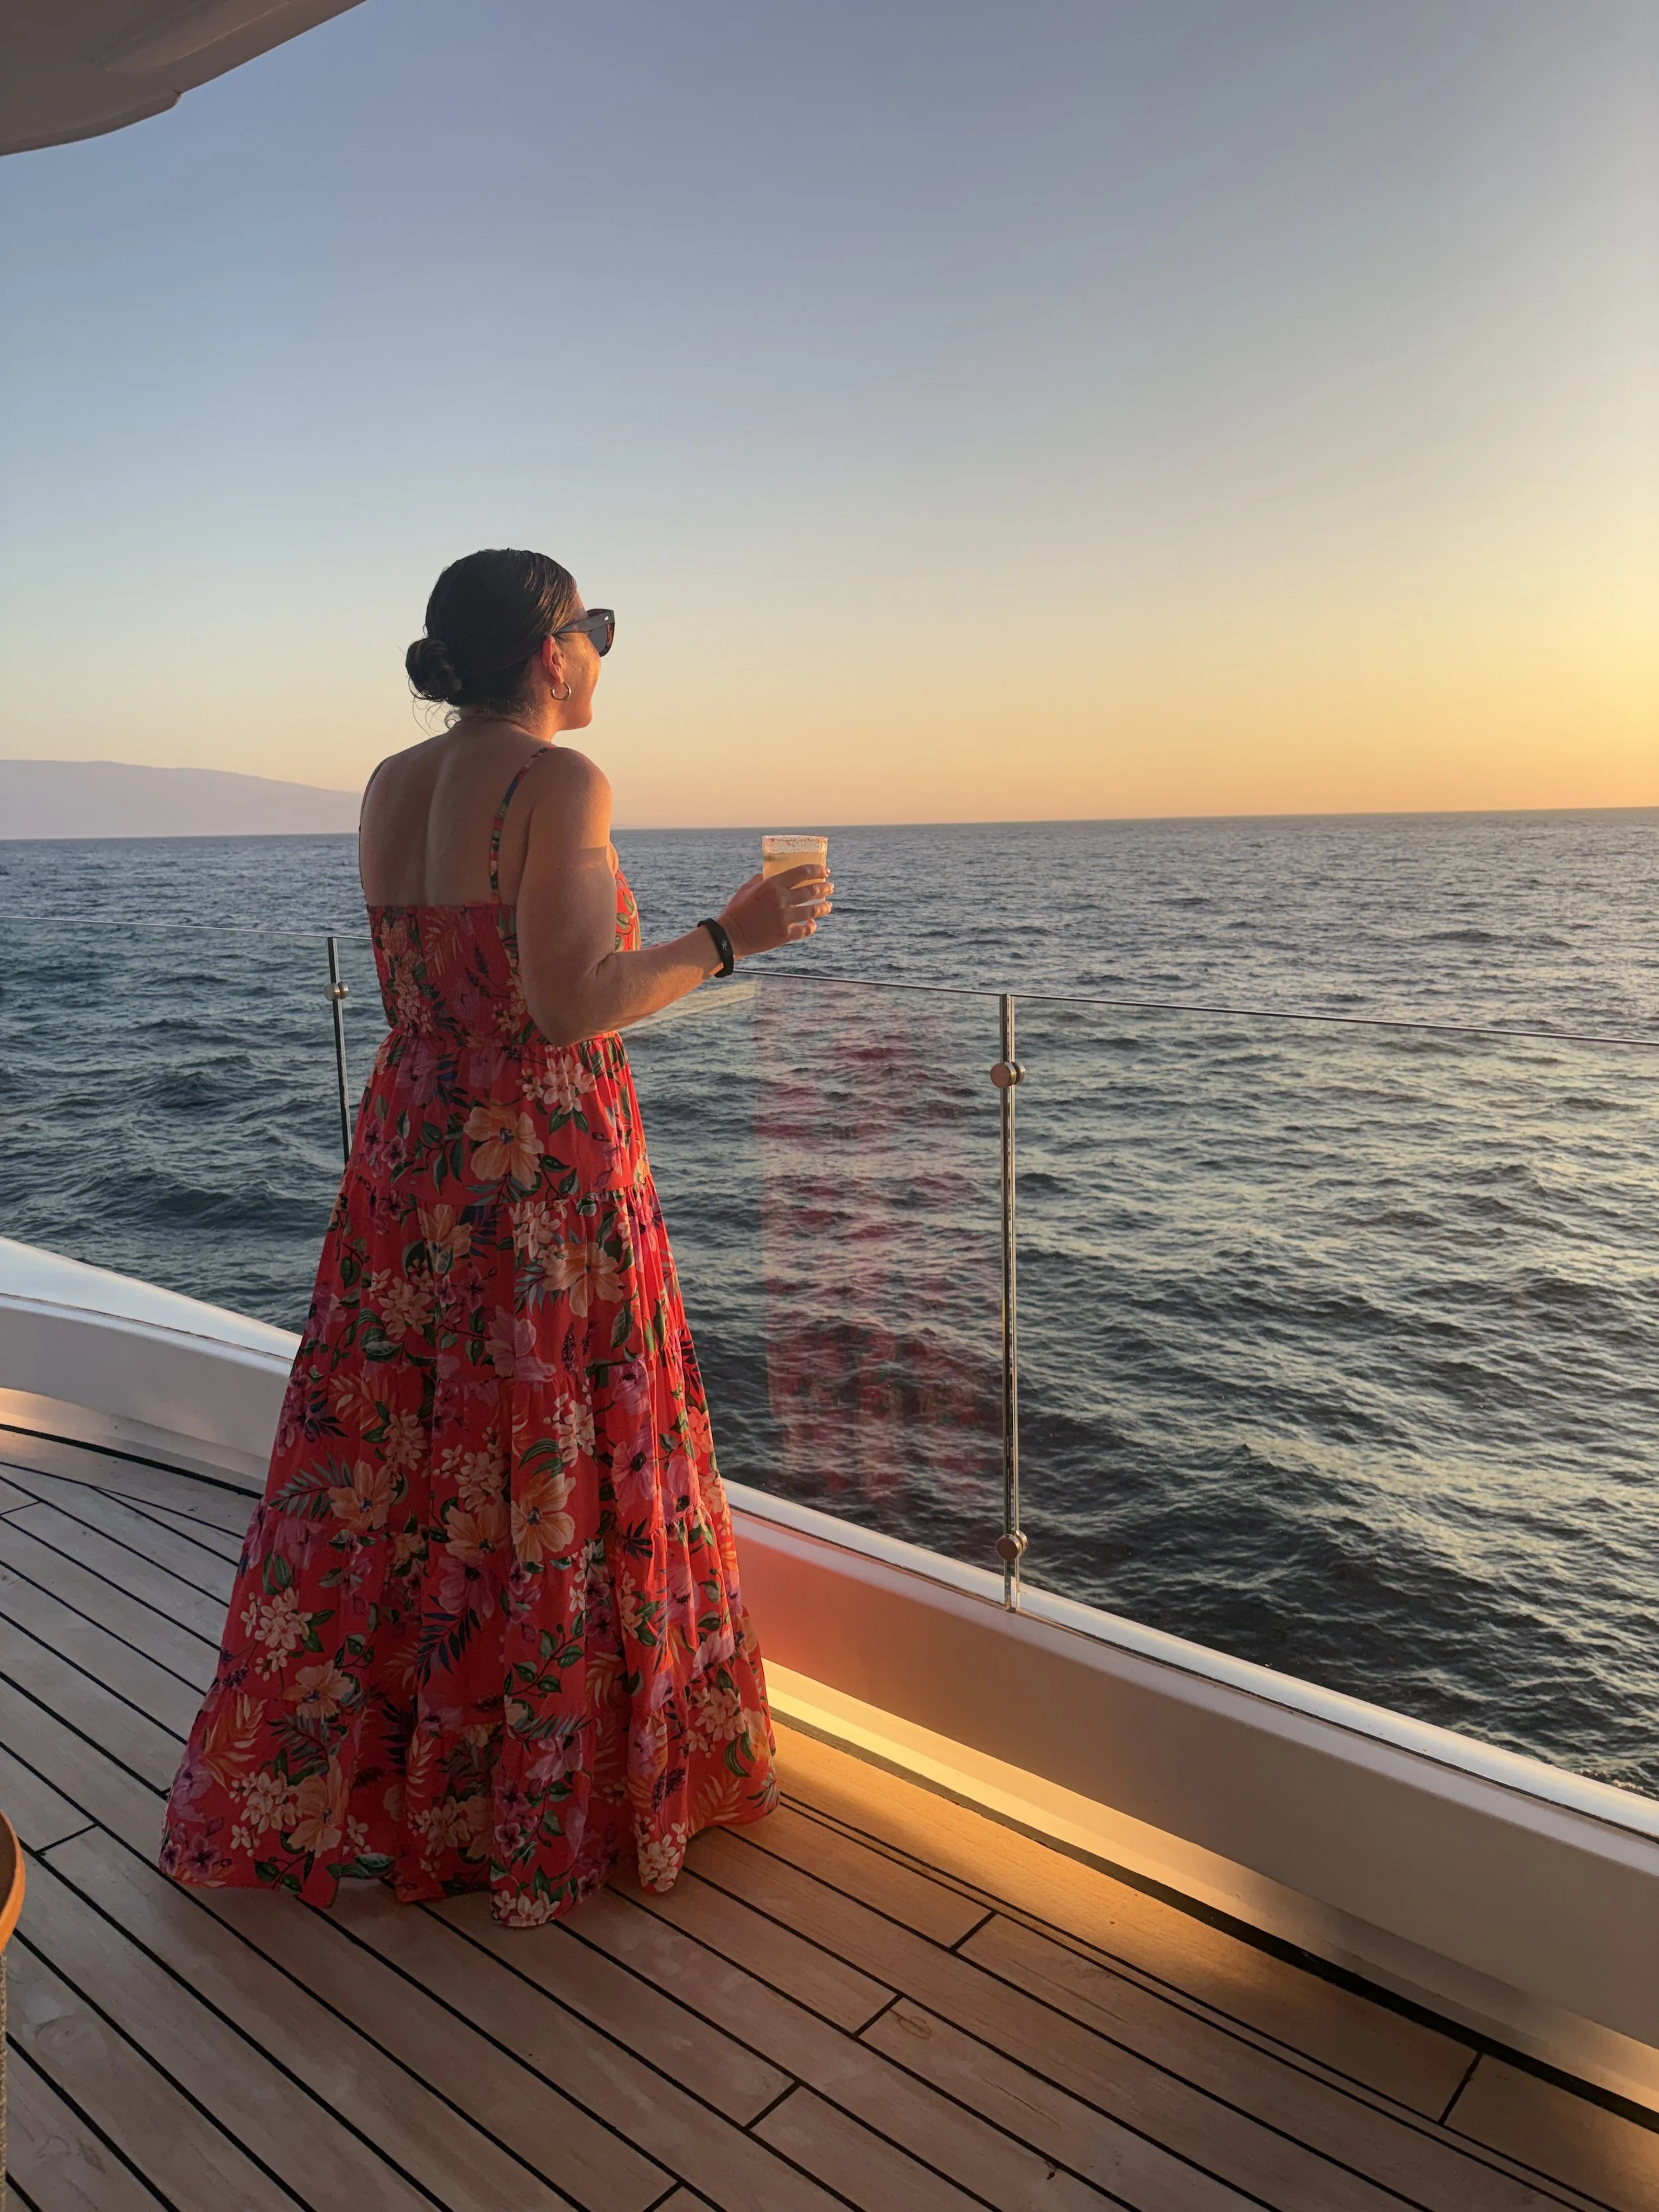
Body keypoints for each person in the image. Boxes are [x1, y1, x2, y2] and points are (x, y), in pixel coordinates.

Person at [159, 547, 832, 1926]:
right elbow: (568, 1001)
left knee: (401, 1459)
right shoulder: (559, 783)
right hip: (534, 1169)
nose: (600, 652)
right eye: (594, 629)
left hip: (410, 1154)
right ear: (547, 651)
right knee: (547, 1450)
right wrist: (732, 934)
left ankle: (399, 1785)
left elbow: (454, 985)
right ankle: (547, 1793)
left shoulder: (389, 784)